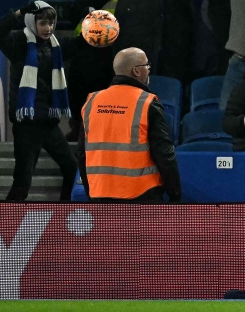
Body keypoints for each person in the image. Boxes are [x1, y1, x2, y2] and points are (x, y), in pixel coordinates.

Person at [0, 1, 79, 202]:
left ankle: (63, 212)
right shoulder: (18, 43)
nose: (48, 28)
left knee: (72, 168)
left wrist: (94, 23)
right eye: (43, 23)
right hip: (27, 126)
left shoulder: (56, 46)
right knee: (22, 182)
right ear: (32, 22)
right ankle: (8, 218)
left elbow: (82, 43)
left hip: (48, 123)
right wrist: (20, 12)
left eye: (51, 23)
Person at [76, 47, 181, 202]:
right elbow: (164, 153)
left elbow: (82, 154)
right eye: (146, 65)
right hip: (142, 195)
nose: (149, 69)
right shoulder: (147, 103)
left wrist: (91, 191)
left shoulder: (92, 102)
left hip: (100, 194)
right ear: (136, 71)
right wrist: (175, 194)